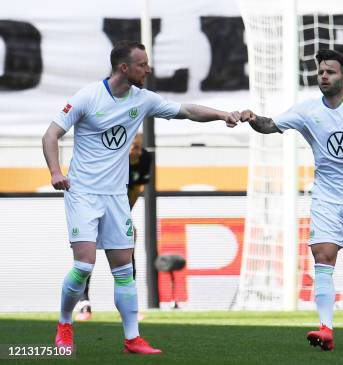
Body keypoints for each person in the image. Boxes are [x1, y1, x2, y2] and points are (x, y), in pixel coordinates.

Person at [42, 40, 241, 354]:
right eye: (143, 64)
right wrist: (55, 171)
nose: (148, 69)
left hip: (116, 196)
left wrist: (222, 114)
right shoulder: (87, 97)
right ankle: (65, 325)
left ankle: (132, 338)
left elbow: (187, 110)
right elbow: (51, 134)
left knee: (124, 270)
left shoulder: (143, 100)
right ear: (125, 68)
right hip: (82, 193)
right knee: (84, 266)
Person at [239, 49, 343, 351]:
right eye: (320, 72)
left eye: (330, 71)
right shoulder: (306, 110)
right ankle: (326, 328)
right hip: (326, 198)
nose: (323, 76)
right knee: (323, 256)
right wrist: (252, 118)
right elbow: (269, 125)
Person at [75, 133, 151, 321]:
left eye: (137, 145)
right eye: (131, 144)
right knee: (87, 256)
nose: (134, 148)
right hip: (95, 206)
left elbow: (136, 190)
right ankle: (84, 304)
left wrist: (125, 216)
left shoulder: (145, 157)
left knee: (127, 252)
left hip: (120, 209)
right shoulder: (110, 156)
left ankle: (127, 308)